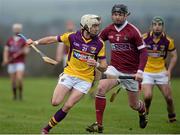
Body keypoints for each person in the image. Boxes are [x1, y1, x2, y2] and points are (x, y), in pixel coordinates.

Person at [26, 14, 108, 134]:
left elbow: (104, 67)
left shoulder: (100, 43)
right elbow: (52, 39)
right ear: (86, 26)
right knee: (55, 102)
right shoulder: (72, 37)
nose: (97, 28)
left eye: (98, 26)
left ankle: (46, 129)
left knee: (68, 105)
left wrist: (96, 64)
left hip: (85, 80)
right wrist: (36, 42)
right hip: (69, 74)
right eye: (94, 26)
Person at [86, 4, 148, 133]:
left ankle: (142, 111)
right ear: (111, 15)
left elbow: (144, 53)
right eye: (115, 14)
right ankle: (99, 125)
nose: (117, 17)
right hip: (114, 69)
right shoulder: (109, 30)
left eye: (120, 15)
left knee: (134, 105)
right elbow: (97, 42)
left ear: (126, 15)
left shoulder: (133, 31)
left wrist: (140, 71)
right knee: (101, 88)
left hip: (132, 72)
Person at [142, 16, 177, 122]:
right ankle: (146, 110)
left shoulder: (168, 41)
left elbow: (174, 55)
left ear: (163, 27)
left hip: (162, 72)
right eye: (155, 25)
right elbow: (136, 52)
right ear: (151, 26)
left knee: (169, 98)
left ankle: (172, 117)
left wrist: (169, 70)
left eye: (160, 25)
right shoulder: (143, 38)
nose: (157, 27)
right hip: (147, 72)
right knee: (147, 96)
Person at [2, 23, 29, 100]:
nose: (17, 30)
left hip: (20, 62)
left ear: (20, 30)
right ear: (13, 30)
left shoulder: (23, 40)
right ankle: (14, 96)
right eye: (15, 29)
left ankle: (20, 95)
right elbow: (6, 50)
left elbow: (26, 51)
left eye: (18, 29)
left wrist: (23, 51)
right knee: (13, 81)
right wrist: (5, 59)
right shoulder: (10, 40)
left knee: (19, 78)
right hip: (11, 62)